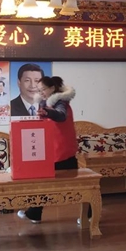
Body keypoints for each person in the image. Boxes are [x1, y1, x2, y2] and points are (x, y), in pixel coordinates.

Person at [17, 76, 80, 223]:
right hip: (52, 150)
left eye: (43, 89)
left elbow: (61, 116)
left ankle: (89, 214)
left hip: (62, 150)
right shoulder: (44, 103)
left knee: (76, 186)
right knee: (44, 181)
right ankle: (34, 213)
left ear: (52, 88)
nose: (41, 93)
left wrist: (48, 112)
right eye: (39, 90)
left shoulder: (60, 102)